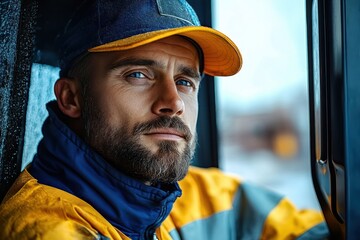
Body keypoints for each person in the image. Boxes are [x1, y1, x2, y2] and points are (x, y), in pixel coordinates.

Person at [0, 0, 329, 239]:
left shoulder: (189, 197)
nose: (173, 103)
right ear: (72, 98)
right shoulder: (50, 229)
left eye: (185, 82)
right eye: (139, 74)